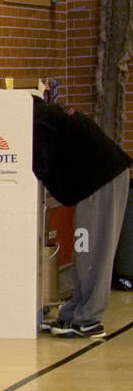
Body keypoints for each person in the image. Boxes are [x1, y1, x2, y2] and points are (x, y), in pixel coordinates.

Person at [32, 96, 131, 339]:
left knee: (94, 251)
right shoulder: (47, 114)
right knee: (83, 249)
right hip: (97, 180)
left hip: (101, 180)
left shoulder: (40, 122)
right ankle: (74, 313)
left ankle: (90, 319)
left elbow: (40, 168)